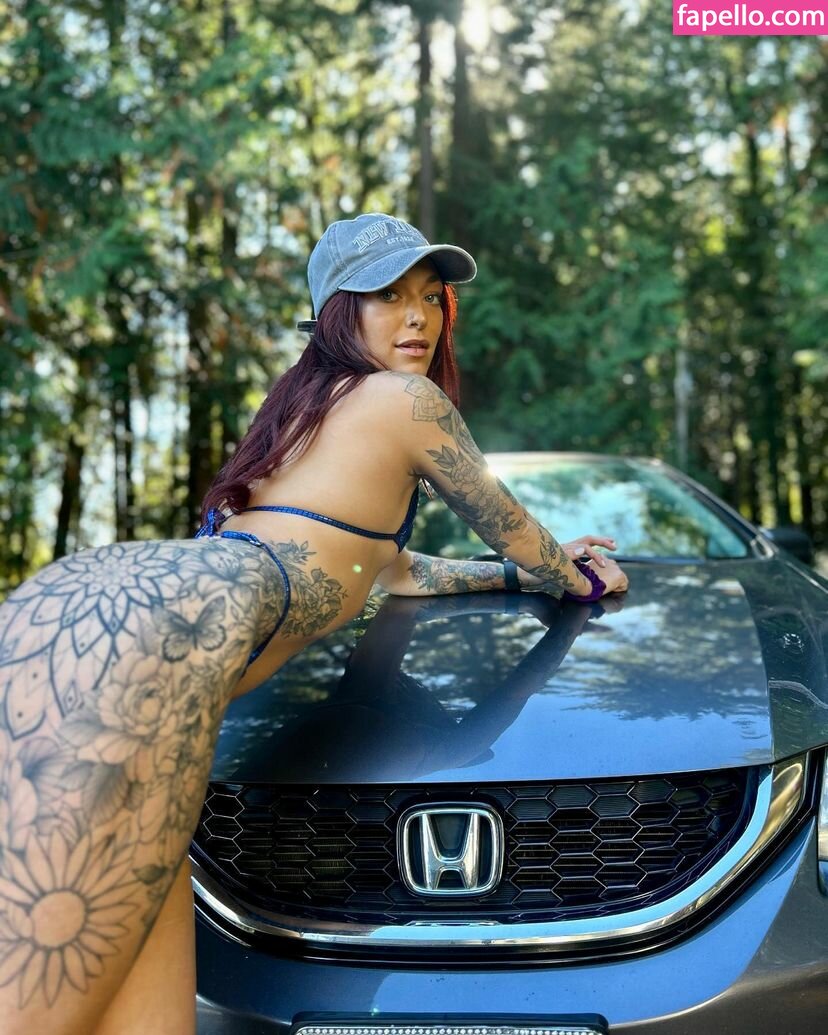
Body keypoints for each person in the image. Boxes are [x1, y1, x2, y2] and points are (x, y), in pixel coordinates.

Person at [0, 212, 628, 1035]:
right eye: (386, 295)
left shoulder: (298, 415)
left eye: (430, 297)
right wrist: (577, 576)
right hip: (158, 638)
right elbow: (506, 523)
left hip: (88, 604)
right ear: (337, 311)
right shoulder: (407, 399)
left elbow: (398, 573)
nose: (417, 316)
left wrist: (517, 572)